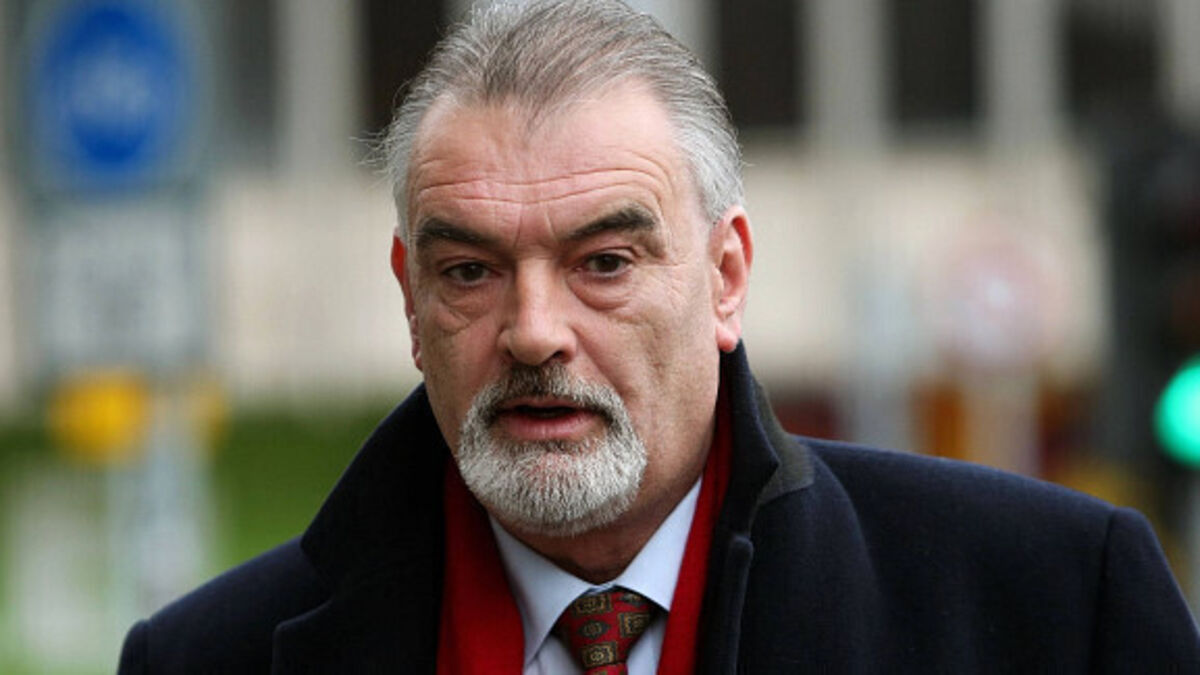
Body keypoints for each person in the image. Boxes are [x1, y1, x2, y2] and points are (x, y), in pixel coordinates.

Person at [118, 0, 1200, 672]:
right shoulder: (203, 659)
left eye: (604, 262)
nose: (534, 333)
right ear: (410, 298)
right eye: (470, 272)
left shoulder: (1056, 605)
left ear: (726, 278)